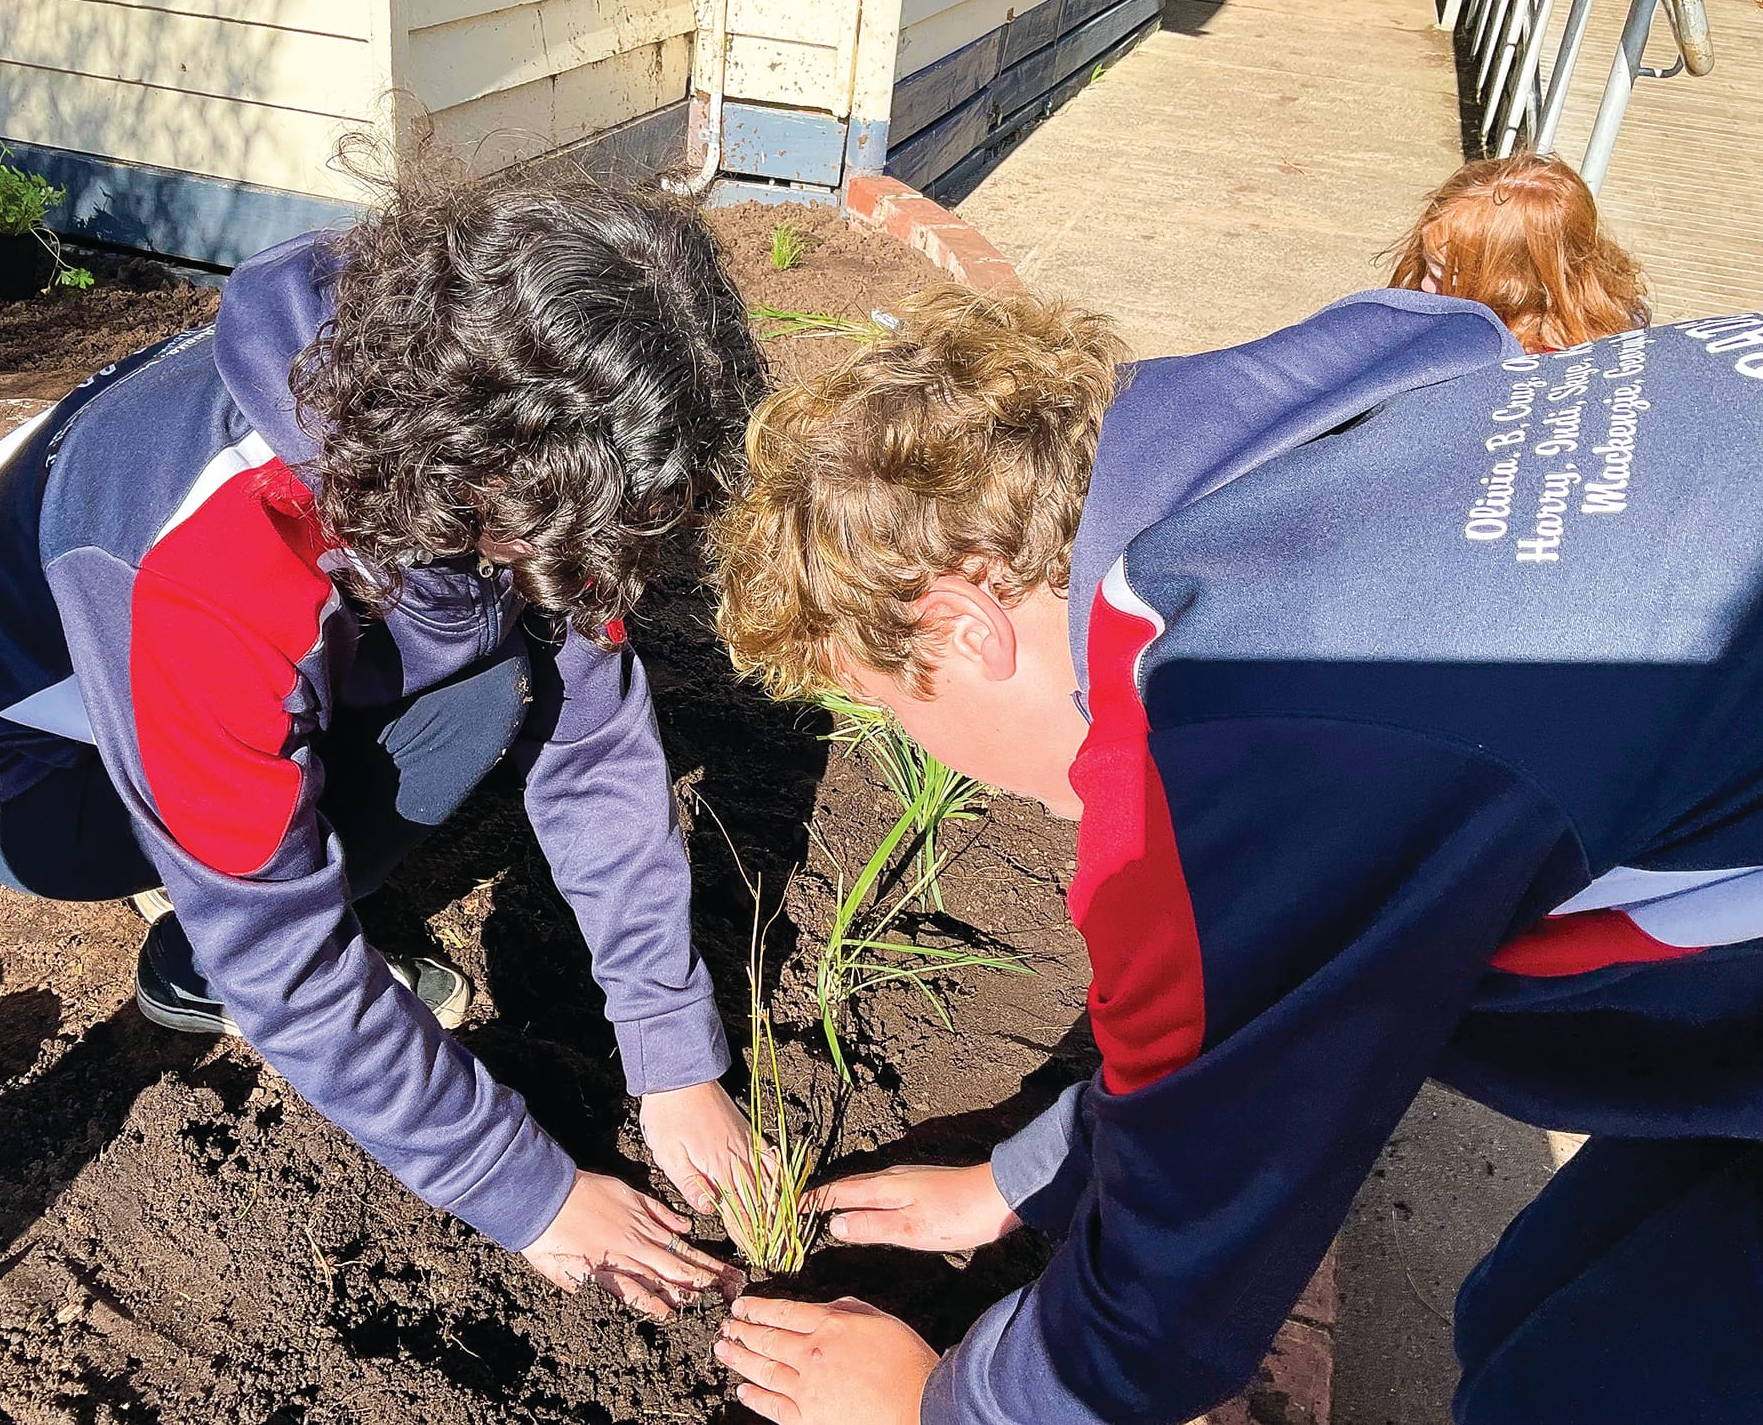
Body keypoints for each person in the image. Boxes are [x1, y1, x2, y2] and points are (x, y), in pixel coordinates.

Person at [707, 283, 1763, 1423]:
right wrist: (1018, 1181)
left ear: (966, 626)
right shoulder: (1315, 441)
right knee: (1529, 1307)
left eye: (891, 702)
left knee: (1575, 1397)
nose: (938, 757)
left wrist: (930, 1406)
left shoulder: (1247, 756)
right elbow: (1261, 1038)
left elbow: (1172, 1310)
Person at [0, 163, 769, 1315]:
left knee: (489, 686)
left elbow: (593, 740)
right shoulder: (208, 562)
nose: (581, 558)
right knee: (409, 757)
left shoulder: (471, 389)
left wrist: (671, 1051)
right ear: (457, 463)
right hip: (11, 762)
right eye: (546, 529)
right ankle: (191, 964)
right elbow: (283, 960)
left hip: (152, 636)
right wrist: (523, 1188)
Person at [1387, 152, 1648, 352]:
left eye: (1441, 274)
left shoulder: (1529, 365)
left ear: (1511, 286)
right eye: (1427, 265)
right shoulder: (1616, 318)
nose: (1424, 284)